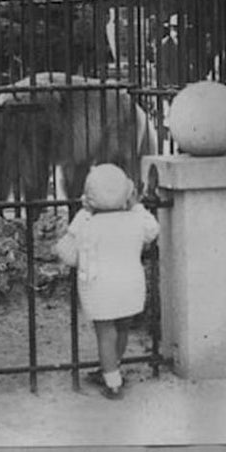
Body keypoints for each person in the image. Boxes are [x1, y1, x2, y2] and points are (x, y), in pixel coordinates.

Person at [54, 164, 160, 399]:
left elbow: (67, 253)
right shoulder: (135, 219)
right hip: (131, 285)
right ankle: (114, 367)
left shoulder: (87, 220)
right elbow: (153, 231)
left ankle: (112, 381)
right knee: (122, 328)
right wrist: (137, 207)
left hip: (99, 288)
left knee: (105, 332)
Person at [157, 14, 186, 88]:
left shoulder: (186, 43)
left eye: (179, 28)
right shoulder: (165, 45)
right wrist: (168, 86)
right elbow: (163, 69)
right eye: (174, 28)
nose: (177, 31)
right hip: (172, 86)